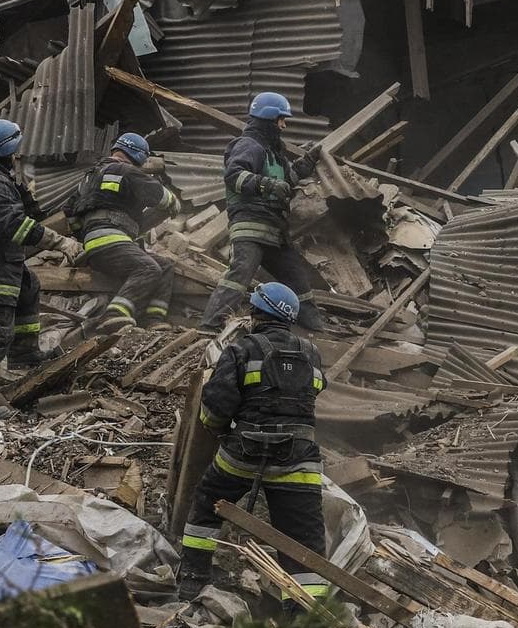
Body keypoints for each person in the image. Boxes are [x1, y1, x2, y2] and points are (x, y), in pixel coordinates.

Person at [178, 282, 328, 596]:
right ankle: (307, 616)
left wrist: (220, 432)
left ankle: (192, 581)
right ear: (290, 319)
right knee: (305, 540)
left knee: (207, 502)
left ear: (256, 313)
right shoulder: (311, 353)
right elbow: (318, 388)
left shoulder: (241, 349)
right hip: (299, 464)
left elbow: (216, 407)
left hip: (242, 455)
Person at [0, 118, 83, 420]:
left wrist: (26, 194)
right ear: (9, 149)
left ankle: (24, 353)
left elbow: (25, 210)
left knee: (28, 286)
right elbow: (15, 227)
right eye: (17, 150)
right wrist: (60, 242)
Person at [197, 92, 324, 331]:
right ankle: (208, 327)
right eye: (281, 120)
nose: (284, 126)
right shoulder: (248, 145)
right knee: (240, 276)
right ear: (268, 118)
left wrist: (305, 164)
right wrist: (267, 185)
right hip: (250, 226)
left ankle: (317, 330)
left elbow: (286, 181)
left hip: (275, 232)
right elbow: (234, 176)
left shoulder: (274, 154)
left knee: (298, 280)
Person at [68, 131, 180, 329]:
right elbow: (162, 198)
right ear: (138, 156)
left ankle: (153, 320)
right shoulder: (127, 172)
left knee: (165, 266)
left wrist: (82, 235)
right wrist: (174, 202)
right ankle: (113, 314)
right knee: (147, 268)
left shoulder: (86, 179)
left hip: (94, 246)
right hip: (112, 241)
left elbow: (69, 211)